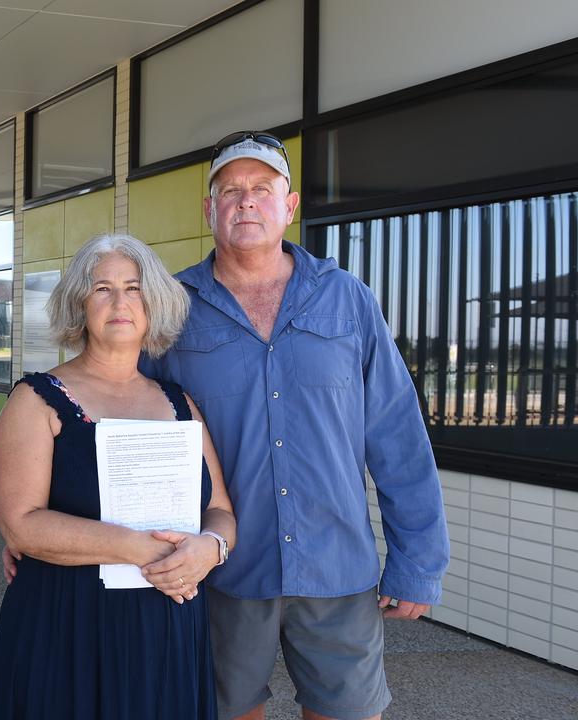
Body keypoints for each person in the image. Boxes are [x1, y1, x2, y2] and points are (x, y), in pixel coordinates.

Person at [144, 132, 448, 720]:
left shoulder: (347, 298)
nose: (246, 201)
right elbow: (126, 420)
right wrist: (58, 520)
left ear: (291, 204)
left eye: (262, 188)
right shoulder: (172, 307)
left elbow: (397, 435)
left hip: (337, 569)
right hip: (220, 570)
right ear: (209, 210)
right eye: (230, 191)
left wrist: (418, 562)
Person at [0, 233, 236, 719]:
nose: (120, 301)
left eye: (135, 287)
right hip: (67, 625)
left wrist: (211, 548)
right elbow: (20, 524)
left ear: (156, 304)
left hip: (167, 624)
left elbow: (220, 510)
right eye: (102, 288)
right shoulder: (36, 399)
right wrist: (142, 548)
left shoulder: (179, 402)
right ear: (80, 305)